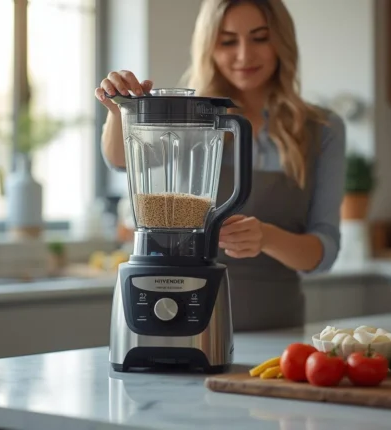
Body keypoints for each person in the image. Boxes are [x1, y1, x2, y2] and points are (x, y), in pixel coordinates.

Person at [95, 0, 346, 331]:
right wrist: (120, 113)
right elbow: (121, 161)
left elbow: (323, 252)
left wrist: (266, 238)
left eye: (259, 37)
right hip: (184, 321)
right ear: (209, 46)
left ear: (281, 42)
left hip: (276, 330)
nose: (244, 55)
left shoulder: (322, 128)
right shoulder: (190, 117)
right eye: (228, 41)